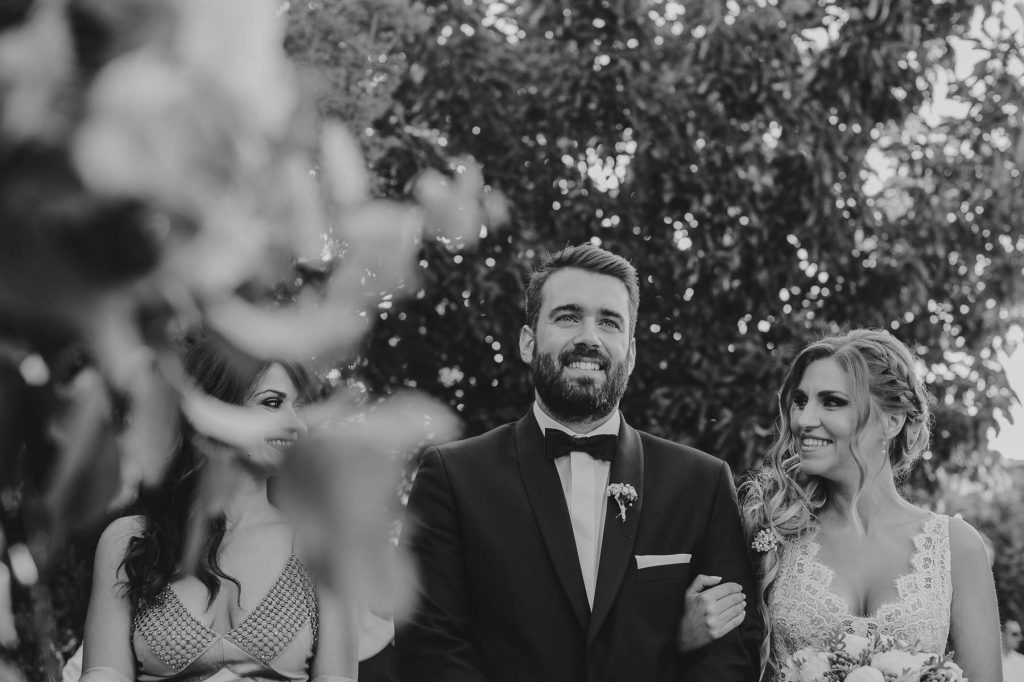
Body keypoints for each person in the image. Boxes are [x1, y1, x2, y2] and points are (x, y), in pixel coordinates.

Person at [396, 244, 761, 681]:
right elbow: (430, 645)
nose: (589, 337)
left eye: (609, 322)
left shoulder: (702, 483)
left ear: (631, 352)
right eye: (568, 317)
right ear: (528, 342)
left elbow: (733, 652)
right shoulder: (453, 477)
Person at [694, 329, 1002, 680]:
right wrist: (685, 637)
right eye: (800, 401)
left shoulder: (956, 546)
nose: (803, 420)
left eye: (832, 402)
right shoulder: (770, 530)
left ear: (892, 420)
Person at [79, 334, 358, 681]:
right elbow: (105, 674)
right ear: (216, 409)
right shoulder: (129, 542)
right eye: (273, 403)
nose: (297, 425)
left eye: (299, 408)